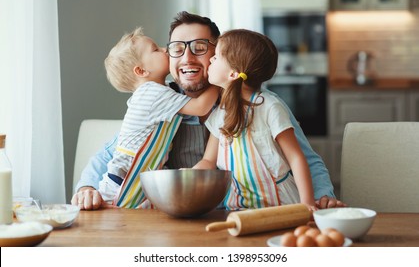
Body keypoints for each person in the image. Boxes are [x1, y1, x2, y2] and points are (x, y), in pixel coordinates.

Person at [71, 11, 345, 210]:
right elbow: (115, 152)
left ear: (222, 57)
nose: (188, 58)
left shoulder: (263, 105)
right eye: (177, 49)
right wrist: (86, 188)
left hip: (242, 214)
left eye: (200, 48)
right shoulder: (164, 105)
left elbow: (305, 159)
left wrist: (321, 196)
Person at [193, 29, 316, 211]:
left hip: (281, 206)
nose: (210, 59)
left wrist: (307, 204)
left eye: (216, 57)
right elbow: (208, 161)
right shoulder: (220, 113)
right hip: (238, 208)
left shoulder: (269, 107)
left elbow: (296, 157)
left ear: (233, 74)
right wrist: (188, 176)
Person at [98, 27, 219, 207]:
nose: (164, 49)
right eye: (155, 49)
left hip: (144, 172)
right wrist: (220, 81)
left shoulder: (162, 91)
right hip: (125, 176)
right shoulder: (152, 93)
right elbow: (201, 107)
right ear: (141, 71)